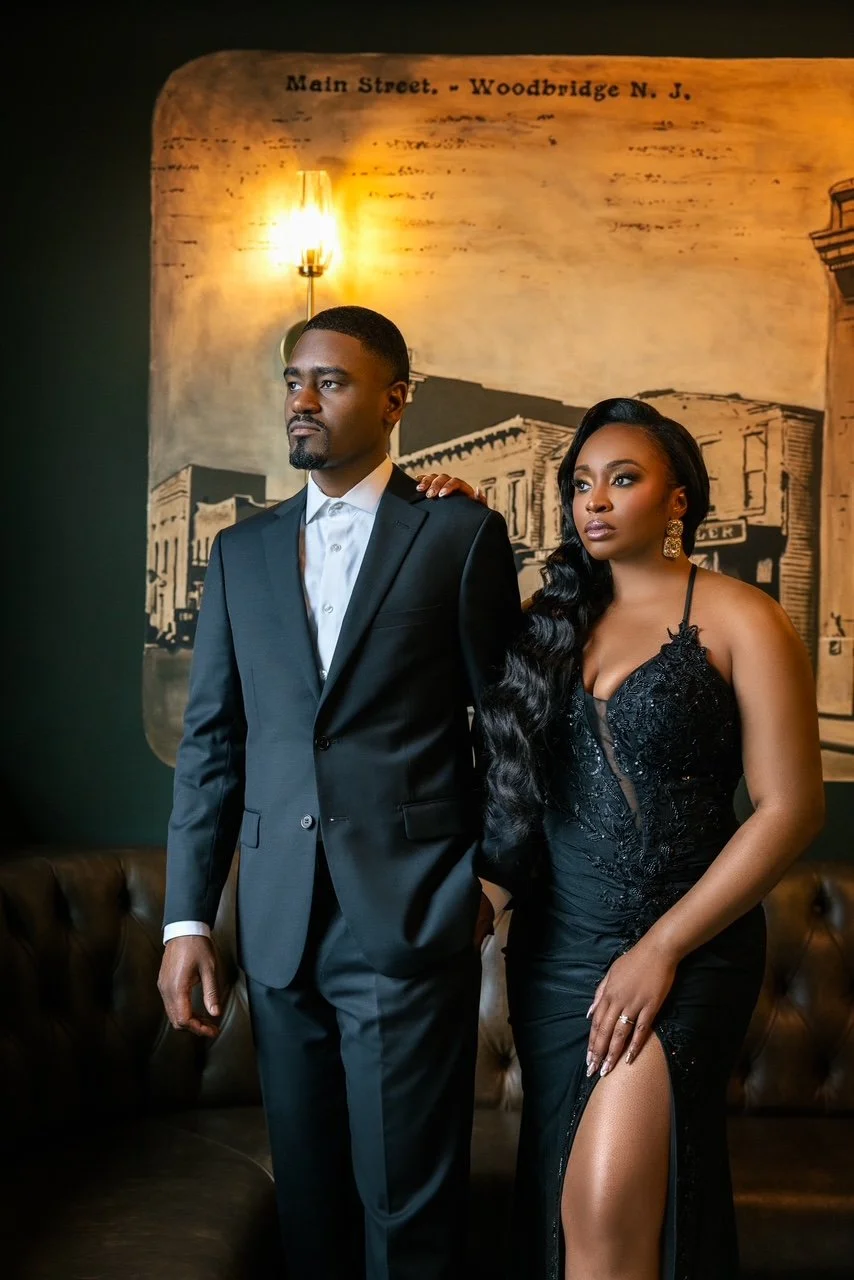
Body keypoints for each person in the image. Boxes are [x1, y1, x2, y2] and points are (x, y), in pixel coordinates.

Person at [157, 306, 522, 1280]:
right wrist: (186, 918)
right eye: (293, 381)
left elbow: (513, 726)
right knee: (308, 1213)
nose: (303, 399)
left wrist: (484, 885)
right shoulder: (239, 553)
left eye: (332, 380)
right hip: (274, 931)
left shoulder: (456, 533)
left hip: (406, 921)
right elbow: (211, 743)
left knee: (408, 1216)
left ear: (396, 398)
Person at [422, 396, 824, 1279]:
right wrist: (451, 526)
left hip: (682, 955)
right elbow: (515, 795)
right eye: (580, 484)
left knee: (606, 1214)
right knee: (574, 1216)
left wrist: (661, 949)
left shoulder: (743, 617)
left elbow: (791, 809)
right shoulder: (546, 622)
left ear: (678, 499)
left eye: (623, 479)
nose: (593, 500)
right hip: (555, 954)